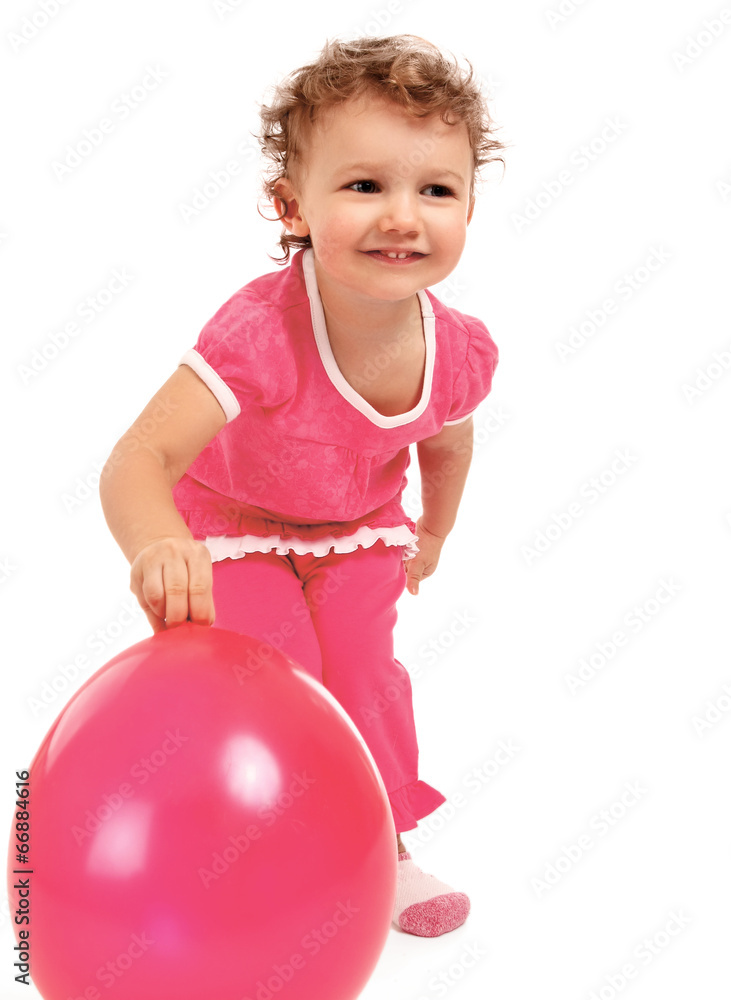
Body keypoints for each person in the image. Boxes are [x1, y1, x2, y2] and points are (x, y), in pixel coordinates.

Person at [100, 33, 503, 938]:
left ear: (469, 208)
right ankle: (252, 844)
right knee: (273, 674)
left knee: (362, 675)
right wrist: (157, 541)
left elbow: (447, 441)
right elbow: (137, 459)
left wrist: (434, 531)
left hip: (357, 528)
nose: (402, 216)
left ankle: (382, 845)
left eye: (435, 191)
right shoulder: (259, 333)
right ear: (292, 205)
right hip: (232, 524)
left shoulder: (457, 348)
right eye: (364, 185)